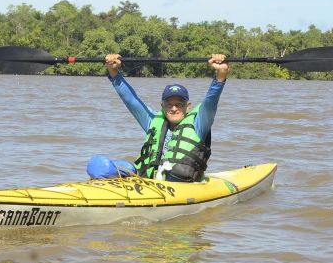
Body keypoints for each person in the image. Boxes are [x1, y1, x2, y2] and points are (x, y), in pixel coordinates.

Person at [90, 52, 229, 182]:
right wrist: (114, 72)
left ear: (188, 106)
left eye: (179, 104)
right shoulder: (153, 122)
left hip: (181, 184)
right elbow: (131, 101)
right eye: (169, 104)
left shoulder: (199, 123)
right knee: (98, 166)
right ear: (162, 106)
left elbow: (211, 100)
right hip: (149, 180)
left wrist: (220, 75)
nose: (174, 108)